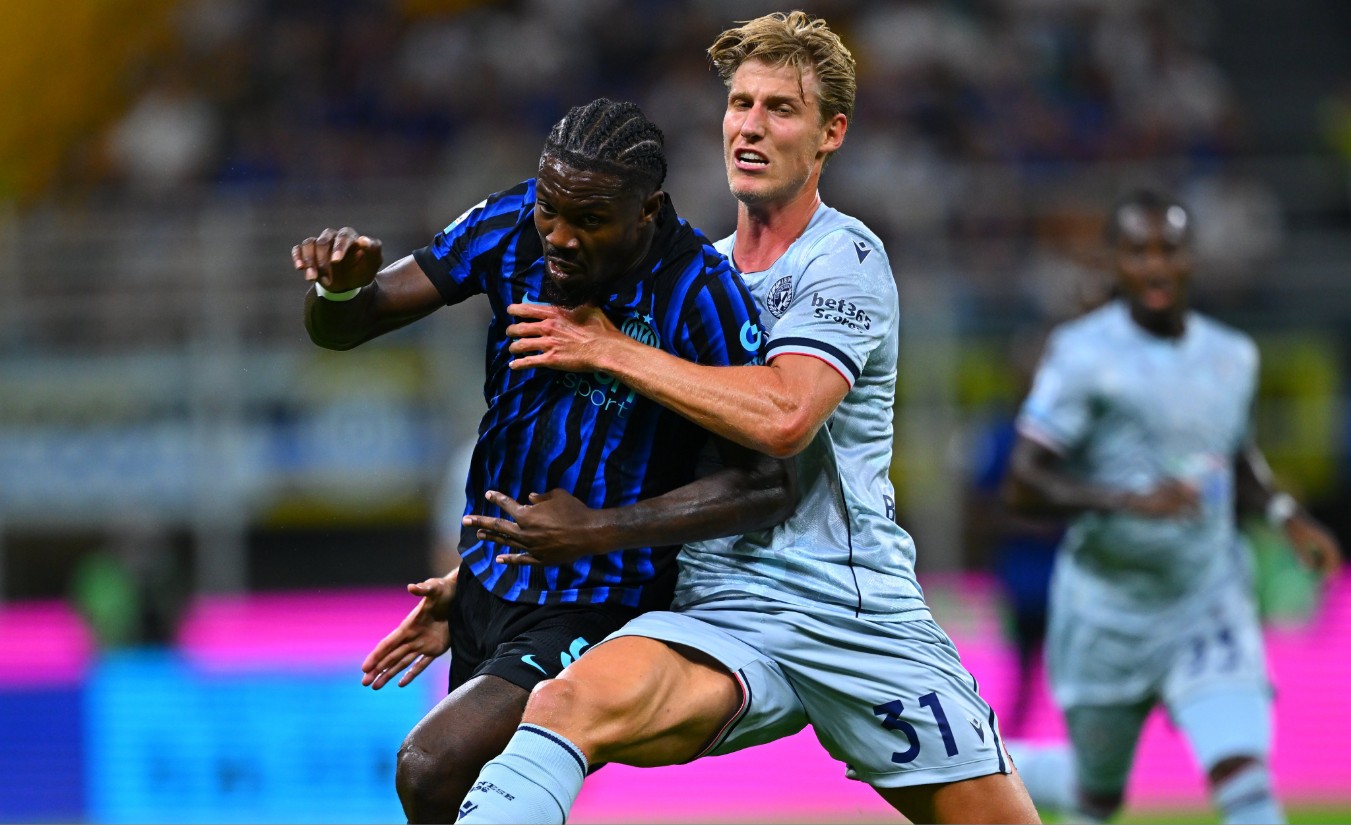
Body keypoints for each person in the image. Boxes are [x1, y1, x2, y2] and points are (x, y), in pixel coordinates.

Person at [453, 13, 1039, 824]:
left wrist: (613, 348)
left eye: (780, 108)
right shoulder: (698, 276)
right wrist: (488, 574)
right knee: (565, 702)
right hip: (718, 608)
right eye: (740, 104)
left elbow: (786, 416)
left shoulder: (844, 258)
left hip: (849, 611)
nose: (751, 126)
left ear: (831, 132)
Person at [293, 98, 798, 823]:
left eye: (588, 219)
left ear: (647, 210)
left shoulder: (698, 292)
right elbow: (348, 324)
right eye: (550, 210)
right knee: (478, 803)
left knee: (430, 768)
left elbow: (767, 485)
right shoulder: (511, 224)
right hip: (487, 587)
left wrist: (598, 529)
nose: (559, 235)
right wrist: (340, 287)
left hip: (602, 600)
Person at [1001, 189, 1343, 823]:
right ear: (1116, 262)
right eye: (1139, 251)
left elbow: (1235, 458)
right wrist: (1128, 501)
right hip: (1108, 612)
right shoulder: (1081, 354)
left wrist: (1284, 515)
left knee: (1246, 780)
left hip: (1206, 600)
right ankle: (978, 765)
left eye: (1169, 250)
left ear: (1192, 258)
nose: (1156, 265)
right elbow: (1023, 482)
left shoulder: (1232, 356)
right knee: (1094, 796)